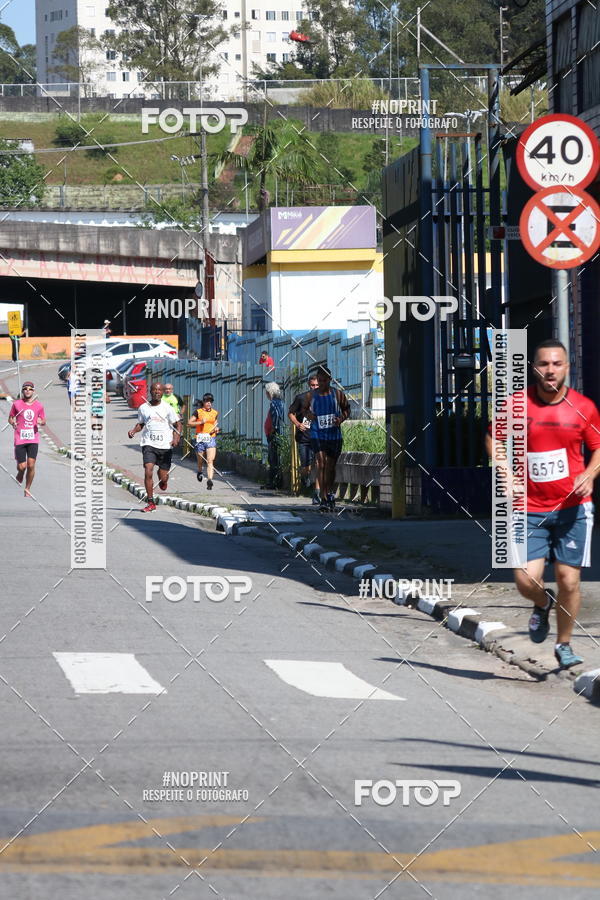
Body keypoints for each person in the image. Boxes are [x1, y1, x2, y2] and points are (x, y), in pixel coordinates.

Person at [486, 339, 600, 669]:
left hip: (573, 509)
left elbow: (597, 447)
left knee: (569, 580)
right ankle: (542, 602)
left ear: (567, 367)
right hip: (528, 507)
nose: (550, 370)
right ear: (534, 368)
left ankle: (564, 644)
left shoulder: (583, 407)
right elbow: (493, 437)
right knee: (526, 580)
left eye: (557, 363)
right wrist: (506, 472)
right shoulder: (516, 405)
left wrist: (590, 474)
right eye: (544, 364)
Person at [127, 382, 182, 513]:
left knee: (163, 477)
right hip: (149, 444)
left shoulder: (167, 408)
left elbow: (178, 424)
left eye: (159, 390)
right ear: (150, 392)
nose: (157, 392)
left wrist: (176, 438)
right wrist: (134, 431)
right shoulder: (143, 408)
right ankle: (150, 502)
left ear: (162, 392)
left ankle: (163, 480)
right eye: (154, 390)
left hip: (165, 446)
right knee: (148, 470)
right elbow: (141, 423)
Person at [307, 365, 349, 512]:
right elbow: (303, 410)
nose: (322, 383)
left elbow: (347, 409)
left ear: (330, 380)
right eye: (320, 380)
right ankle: (323, 498)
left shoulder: (338, 394)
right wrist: (308, 415)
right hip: (317, 434)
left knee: (330, 467)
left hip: (333, 435)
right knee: (321, 464)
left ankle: (330, 493)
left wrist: (340, 419)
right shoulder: (311, 396)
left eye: (324, 380)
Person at [8, 381, 46, 498]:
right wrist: (13, 423)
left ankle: (27, 488)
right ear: (22, 391)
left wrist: (41, 421)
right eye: (25, 389)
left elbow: (44, 420)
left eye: (30, 389)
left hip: (33, 439)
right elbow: (10, 418)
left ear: (33, 391)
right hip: (20, 438)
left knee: (31, 465)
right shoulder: (17, 404)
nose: (28, 390)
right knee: (22, 466)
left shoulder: (39, 405)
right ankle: (20, 473)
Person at [288, 372, 321, 504]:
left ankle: (317, 494)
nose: (315, 387)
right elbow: (291, 413)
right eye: (313, 385)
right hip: (304, 438)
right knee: (306, 467)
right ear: (309, 385)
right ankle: (304, 476)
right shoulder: (301, 398)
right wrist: (297, 424)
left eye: (317, 385)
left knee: (319, 464)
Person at [188, 393, 219, 490]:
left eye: (210, 401)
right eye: (207, 401)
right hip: (200, 438)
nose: (209, 403)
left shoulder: (215, 413)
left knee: (210, 460)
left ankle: (209, 480)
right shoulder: (198, 412)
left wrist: (216, 429)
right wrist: (201, 422)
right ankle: (200, 471)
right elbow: (189, 423)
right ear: (203, 402)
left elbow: (215, 424)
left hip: (211, 438)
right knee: (200, 460)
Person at [264, 382, 285, 489]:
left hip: (275, 435)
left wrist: (272, 430)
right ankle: (273, 482)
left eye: (267, 392)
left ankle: (273, 483)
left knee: (273, 458)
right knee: (274, 458)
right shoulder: (279, 402)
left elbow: (276, 417)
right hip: (276, 433)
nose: (266, 394)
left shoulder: (274, 403)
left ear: (270, 392)